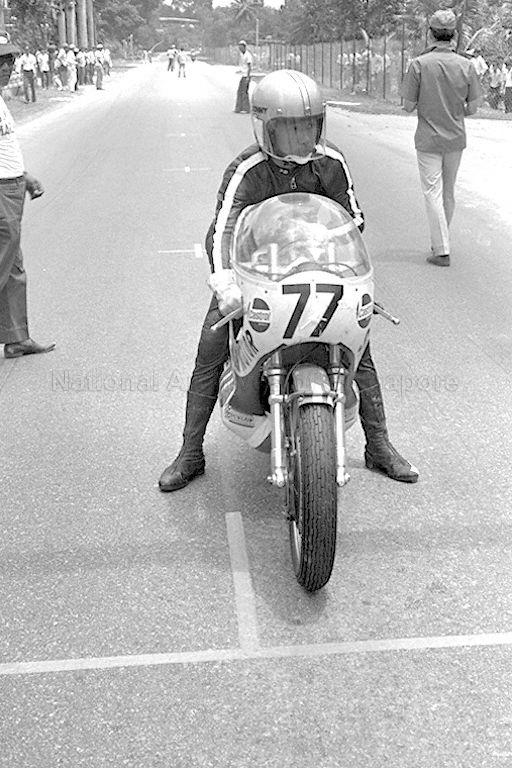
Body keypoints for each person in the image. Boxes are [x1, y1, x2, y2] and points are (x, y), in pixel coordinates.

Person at [158, 69, 419, 492]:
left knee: (360, 346)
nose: (303, 136)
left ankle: (378, 444)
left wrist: (321, 241)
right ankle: (190, 452)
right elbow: (223, 229)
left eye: (310, 125)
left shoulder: (330, 162)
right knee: (210, 346)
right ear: (266, 128)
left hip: (319, 268)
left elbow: (354, 219)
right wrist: (224, 284)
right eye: (291, 127)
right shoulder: (247, 169)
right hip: (256, 276)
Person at [401, 9, 481, 268]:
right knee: (448, 192)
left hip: (428, 139)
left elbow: (408, 105)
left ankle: (442, 248)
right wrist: (455, 109)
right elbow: (474, 107)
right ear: (455, 35)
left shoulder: (418, 65)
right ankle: (440, 240)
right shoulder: (466, 65)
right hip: (455, 138)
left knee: (432, 192)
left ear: (430, 34)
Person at [0, 32, 55, 359]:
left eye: (10, 60)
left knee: (14, 269)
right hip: (1, 191)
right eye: (0, 61)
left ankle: (17, 337)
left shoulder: (0, 99)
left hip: (11, 185)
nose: (7, 67)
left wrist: (25, 176)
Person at [234, 40, 252, 113]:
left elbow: (249, 67)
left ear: (244, 47)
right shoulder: (242, 54)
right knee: (239, 91)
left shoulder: (248, 55)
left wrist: (248, 77)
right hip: (243, 75)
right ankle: (239, 108)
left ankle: (246, 108)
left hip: (246, 76)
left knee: (244, 92)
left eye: (241, 47)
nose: (240, 49)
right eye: (239, 47)